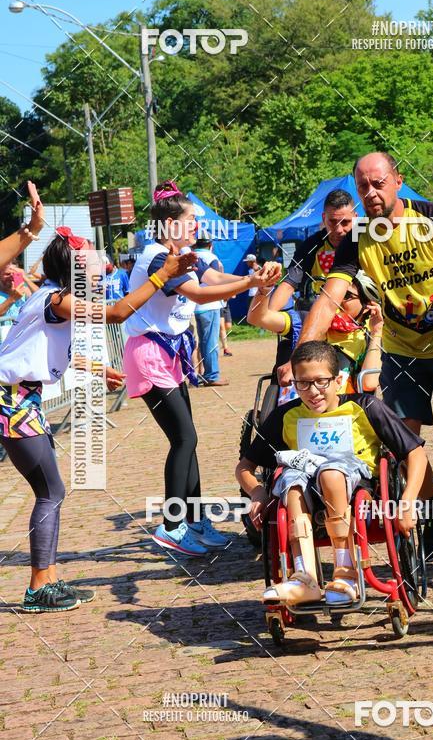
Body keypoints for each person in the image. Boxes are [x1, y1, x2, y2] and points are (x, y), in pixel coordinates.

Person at [0, 184, 198, 614]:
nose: (100, 267)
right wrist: (162, 275)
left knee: (50, 490)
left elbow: (41, 352)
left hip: (18, 399)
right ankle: (38, 588)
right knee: (51, 491)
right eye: (92, 261)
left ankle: (47, 580)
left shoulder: (51, 299)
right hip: (11, 401)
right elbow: (118, 313)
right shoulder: (58, 299)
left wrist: (95, 369)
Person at [296, 152, 433, 574]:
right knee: (404, 444)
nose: (370, 193)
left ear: (398, 181)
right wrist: (303, 353)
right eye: (362, 186)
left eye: (378, 183)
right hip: (400, 350)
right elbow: (330, 296)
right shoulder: (356, 237)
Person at [122, 181, 281, 557]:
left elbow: (213, 279)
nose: (197, 224)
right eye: (191, 218)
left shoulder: (182, 256)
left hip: (168, 354)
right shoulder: (159, 258)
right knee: (185, 439)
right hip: (150, 354)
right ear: (169, 224)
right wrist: (250, 282)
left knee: (187, 440)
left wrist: (257, 280)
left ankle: (193, 521)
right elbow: (198, 294)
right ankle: (171, 525)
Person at [236, 341, 428, 606]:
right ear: (295, 385)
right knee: (291, 482)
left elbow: (415, 453)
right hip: (308, 492)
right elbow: (244, 467)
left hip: (358, 489)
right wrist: (257, 492)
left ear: (338, 380)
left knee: (330, 472)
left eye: (321, 382)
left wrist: (407, 501)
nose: (313, 391)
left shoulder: (365, 406)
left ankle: (346, 573)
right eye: (303, 383)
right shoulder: (286, 416)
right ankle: (305, 578)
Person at [247, 270, 384, 400]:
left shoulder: (370, 337)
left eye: (346, 295)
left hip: (343, 410)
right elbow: (258, 318)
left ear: (367, 305)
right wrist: (264, 289)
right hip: (297, 407)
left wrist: (377, 332)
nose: (335, 300)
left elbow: (369, 383)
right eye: (329, 293)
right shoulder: (309, 322)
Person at [269, 189, 358, 314]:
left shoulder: (366, 242)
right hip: (322, 319)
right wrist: (269, 314)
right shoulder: (310, 246)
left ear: (355, 218)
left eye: (345, 222)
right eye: (332, 222)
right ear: (324, 218)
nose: (339, 230)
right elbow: (289, 284)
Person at [193, 236, 228, 387]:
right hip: (210, 304)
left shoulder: (191, 256)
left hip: (196, 305)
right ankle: (212, 375)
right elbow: (216, 281)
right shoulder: (212, 258)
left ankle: (204, 373)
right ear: (210, 245)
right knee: (211, 342)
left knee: (203, 341)